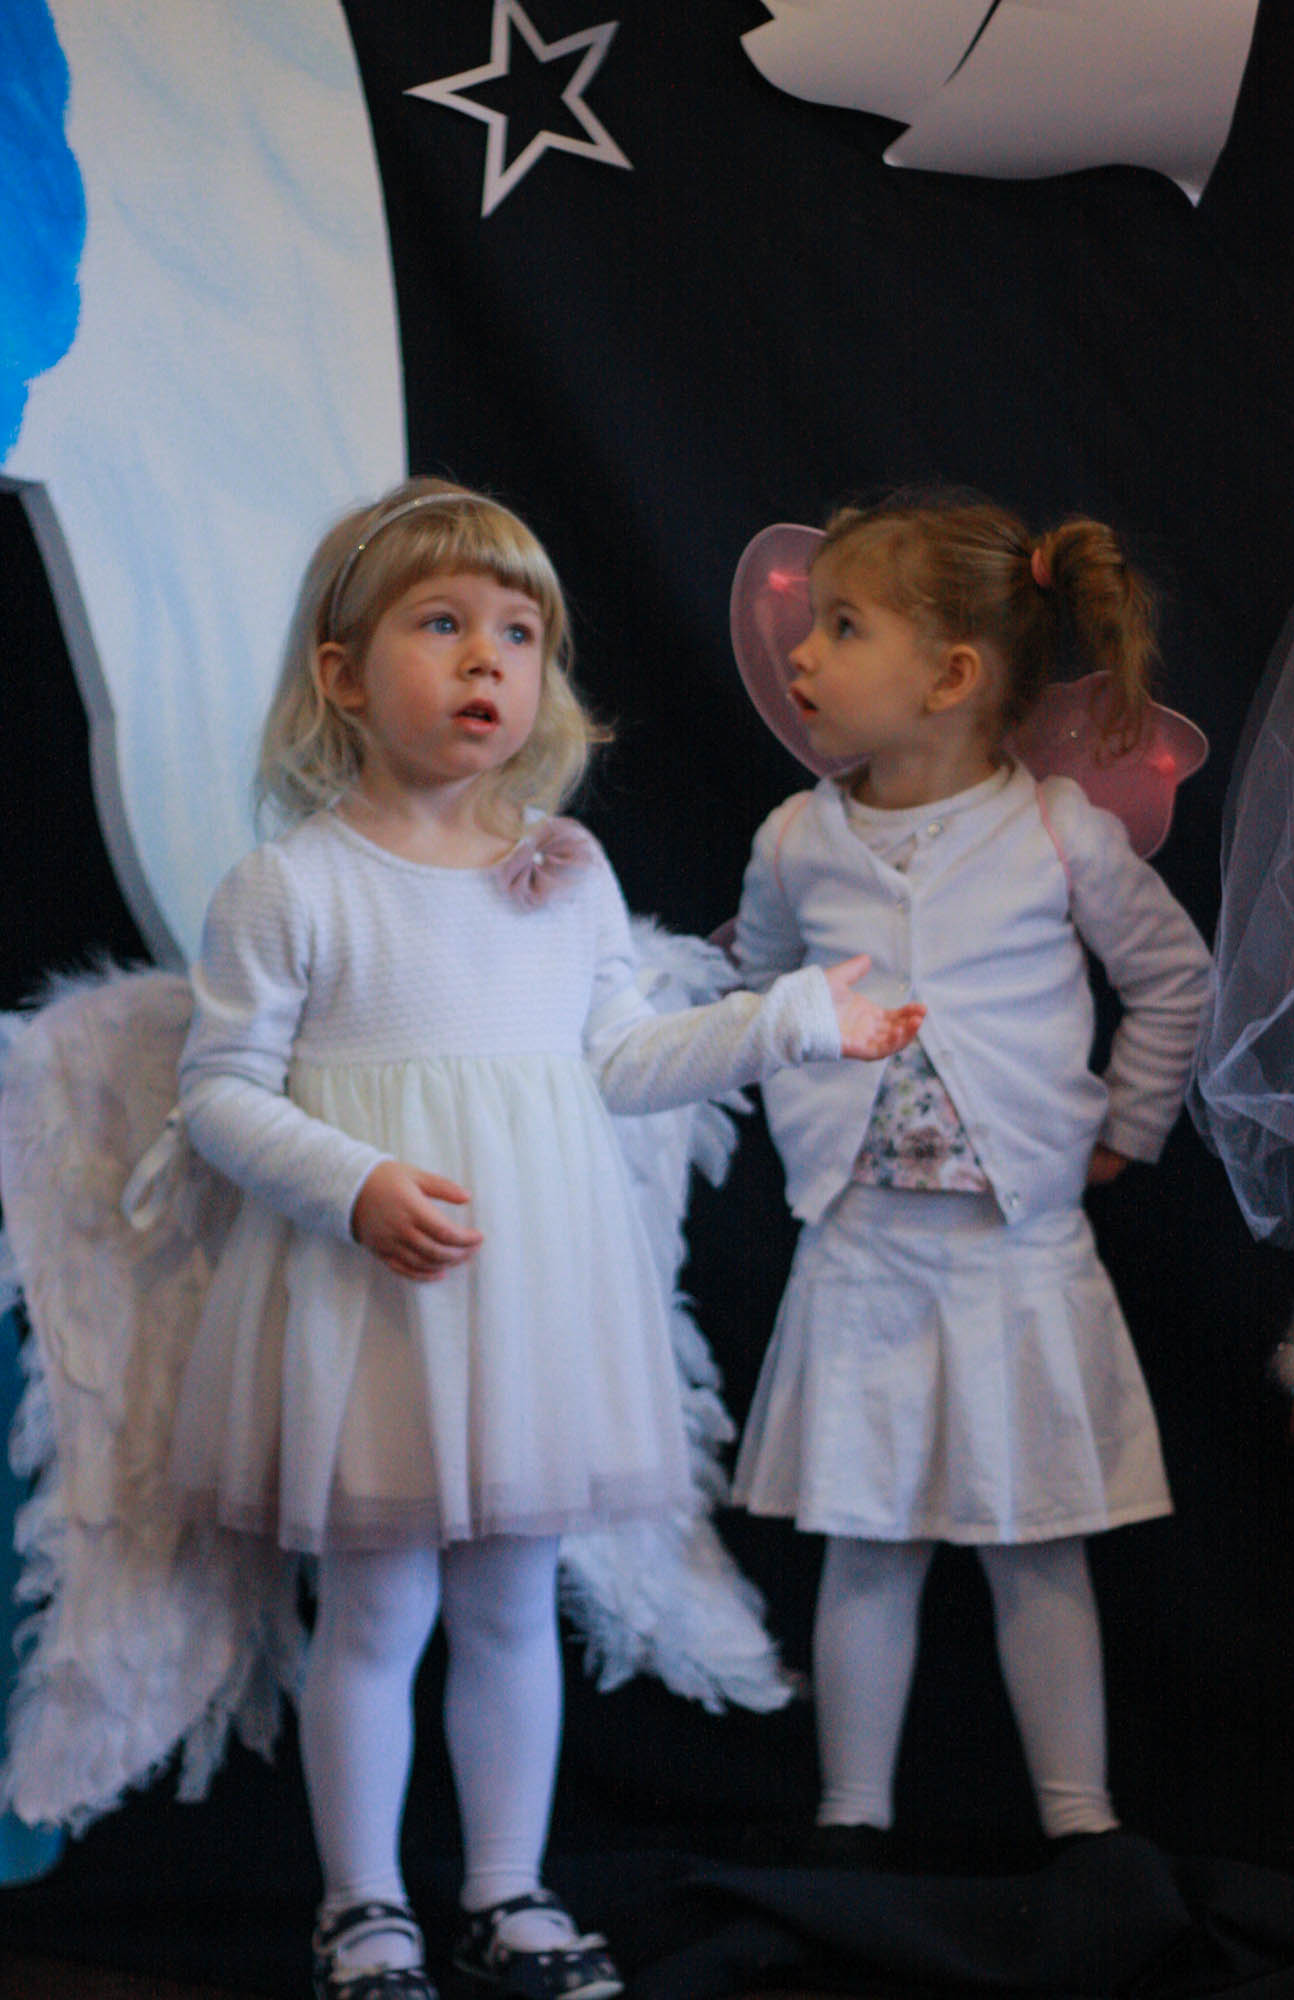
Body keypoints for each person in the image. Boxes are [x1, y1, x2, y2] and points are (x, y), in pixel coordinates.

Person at [166, 476, 923, 2000]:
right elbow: (218, 1095)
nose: (485, 661)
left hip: (523, 1310)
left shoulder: (562, 875)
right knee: (376, 1611)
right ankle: (361, 1908)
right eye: (441, 624)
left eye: (518, 634)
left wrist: (787, 1019)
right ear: (340, 675)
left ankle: (505, 1891)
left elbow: (625, 1063)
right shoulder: (291, 886)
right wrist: (353, 1183)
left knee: (512, 1606)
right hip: (374, 1306)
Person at [728, 491, 1212, 1861]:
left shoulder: (1056, 832)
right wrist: (798, 1106)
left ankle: (1081, 1822)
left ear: (948, 676)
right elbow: (752, 995)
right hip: (860, 1247)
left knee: (1035, 1538)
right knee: (865, 1538)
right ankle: (850, 1820)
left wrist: (1125, 1126)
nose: (801, 653)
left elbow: (1171, 978)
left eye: (842, 626)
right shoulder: (795, 840)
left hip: (1017, 1252)